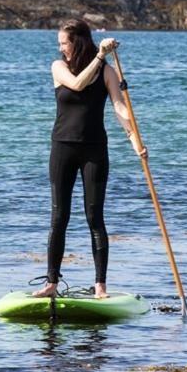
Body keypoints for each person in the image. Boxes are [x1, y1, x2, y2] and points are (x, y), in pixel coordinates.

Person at [32, 18, 147, 300]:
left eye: (64, 43)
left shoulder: (106, 72)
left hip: (95, 149)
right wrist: (99, 56)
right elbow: (77, 84)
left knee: (95, 218)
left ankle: (100, 286)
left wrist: (135, 141)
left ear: (78, 42)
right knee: (59, 217)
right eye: (60, 43)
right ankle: (51, 283)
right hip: (63, 147)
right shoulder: (58, 68)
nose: (61, 48)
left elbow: (120, 107)